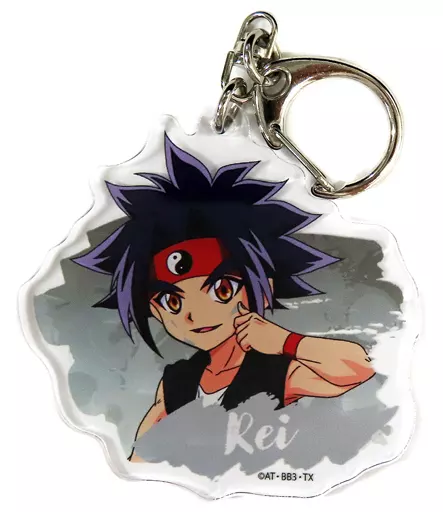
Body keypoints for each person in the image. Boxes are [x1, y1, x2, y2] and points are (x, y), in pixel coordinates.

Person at [73, 135, 375, 463]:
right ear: (155, 311)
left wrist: (284, 341)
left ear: (264, 289)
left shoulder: (273, 371)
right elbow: (141, 460)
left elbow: (359, 369)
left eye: (221, 291)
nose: (195, 314)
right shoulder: (176, 382)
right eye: (173, 302)